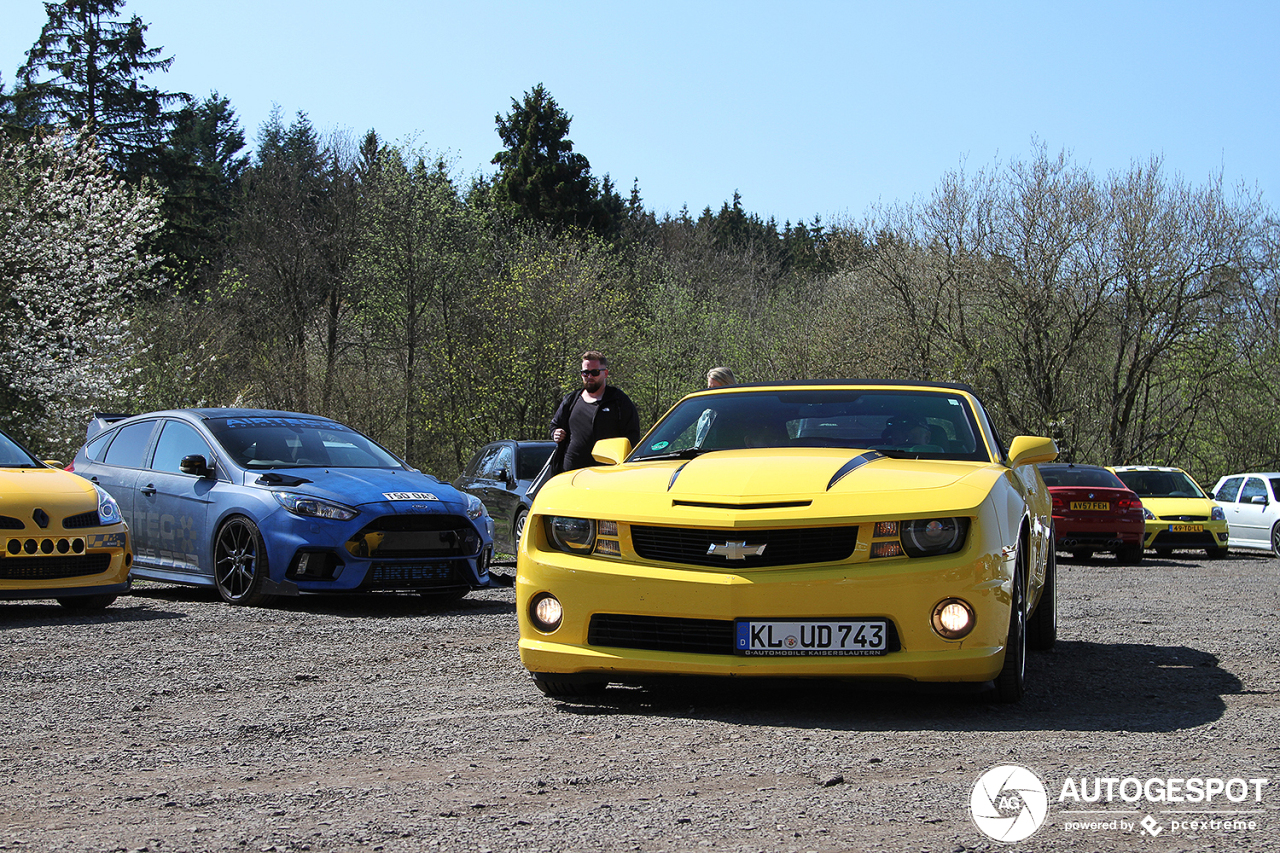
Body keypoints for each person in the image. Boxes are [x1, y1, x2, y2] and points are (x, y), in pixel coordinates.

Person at [549, 351, 641, 472]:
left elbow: (633, 436)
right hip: (571, 473)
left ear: (605, 373)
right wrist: (555, 433)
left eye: (595, 372)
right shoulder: (571, 400)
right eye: (585, 373)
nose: (589, 377)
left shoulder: (618, 401)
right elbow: (555, 425)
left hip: (607, 473)